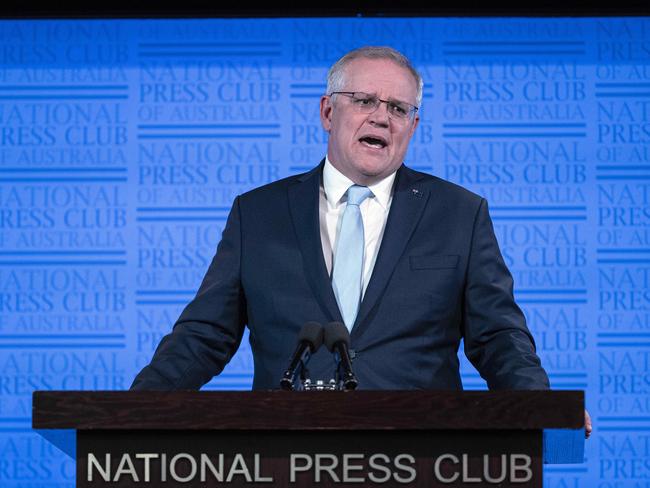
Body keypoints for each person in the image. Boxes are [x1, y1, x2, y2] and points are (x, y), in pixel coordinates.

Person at [130, 45, 591, 437]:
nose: (382, 118)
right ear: (328, 112)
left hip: (424, 455)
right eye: (366, 100)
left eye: (398, 109)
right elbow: (204, 335)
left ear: (412, 125)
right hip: (285, 452)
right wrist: (136, 409)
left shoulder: (459, 214)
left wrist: (541, 407)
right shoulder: (258, 214)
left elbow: (499, 338)